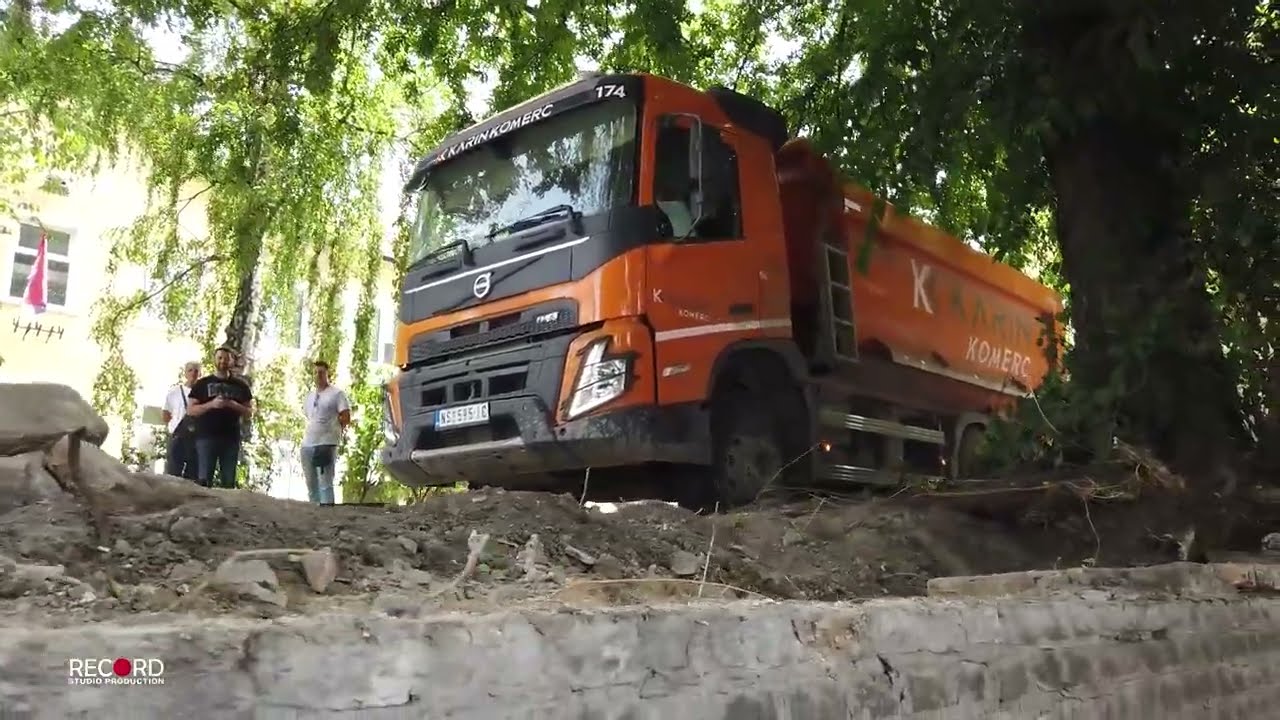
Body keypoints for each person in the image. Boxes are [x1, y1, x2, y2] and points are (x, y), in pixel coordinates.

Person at [186, 346, 254, 489]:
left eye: (226, 358)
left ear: (231, 361)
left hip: (231, 439)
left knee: (228, 481)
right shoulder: (202, 384)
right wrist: (211, 405)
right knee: (204, 481)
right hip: (206, 437)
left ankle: (227, 504)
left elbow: (249, 412)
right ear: (214, 360)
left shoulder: (241, 386)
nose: (223, 361)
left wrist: (233, 404)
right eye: (220, 358)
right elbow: (191, 410)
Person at [300, 360, 351, 504]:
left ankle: (327, 510)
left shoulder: (337, 394)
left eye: (321, 373)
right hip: (308, 443)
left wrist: (334, 431)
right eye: (316, 373)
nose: (318, 375)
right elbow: (309, 416)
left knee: (325, 483)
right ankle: (313, 510)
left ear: (328, 374)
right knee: (311, 483)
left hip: (326, 442)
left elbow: (346, 416)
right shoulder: (310, 396)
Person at [161, 361, 201, 480]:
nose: (193, 373)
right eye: (190, 370)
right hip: (177, 437)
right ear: (185, 373)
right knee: (173, 473)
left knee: (192, 475)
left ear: (200, 374)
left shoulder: (203, 393)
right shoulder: (174, 392)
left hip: (195, 438)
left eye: (196, 371)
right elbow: (166, 415)